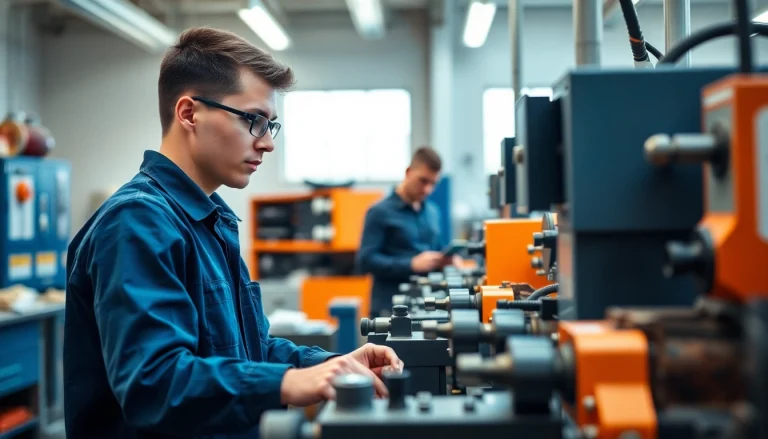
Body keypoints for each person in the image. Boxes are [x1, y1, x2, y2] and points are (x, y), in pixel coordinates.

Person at [63, 27, 402, 439]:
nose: (267, 144)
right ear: (189, 113)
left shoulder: (213, 221)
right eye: (254, 121)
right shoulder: (136, 222)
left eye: (270, 126)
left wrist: (332, 364)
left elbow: (251, 352)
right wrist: (289, 384)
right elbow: (154, 383)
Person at [356, 146, 459, 317]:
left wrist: (448, 259)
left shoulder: (432, 212)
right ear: (409, 172)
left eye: (433, 183)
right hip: (390, 310)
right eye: (423, 181)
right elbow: (365, 260)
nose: (427, 190)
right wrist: (410, 264)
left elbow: (437, 247)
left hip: (426, 307)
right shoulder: (379, 212)